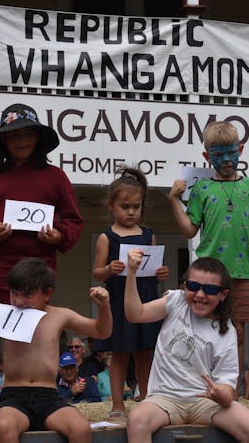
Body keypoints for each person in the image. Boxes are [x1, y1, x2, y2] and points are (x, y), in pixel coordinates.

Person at [169, 120, 249, 387]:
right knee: (205, 328)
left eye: (231, 152)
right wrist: (174, 200)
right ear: (207, 157)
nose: (226, 159)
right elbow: (188, 230)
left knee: (238, 333)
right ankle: (201, 386)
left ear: (240, 150)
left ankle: (230, 389)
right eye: (218, 154)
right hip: (211, 274)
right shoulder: (201, 189)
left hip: (244, 271)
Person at [124, 249, 249, 443]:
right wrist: (131, 272)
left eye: (210, 289)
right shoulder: (176, 301)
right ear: (185, 286)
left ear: (224, 294)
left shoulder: (227, 331)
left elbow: (226, 391)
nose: (200, 295)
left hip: (205, 401)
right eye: (193, 286)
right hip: (165, 399)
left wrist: (219, 395)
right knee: (137, 420)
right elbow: (135, 314)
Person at [0, 257, 111, 443]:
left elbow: (102, 331)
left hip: (48, 396)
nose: (18, 301)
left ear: (47, 294)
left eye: (27, 294)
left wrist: (104, 307)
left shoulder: (59, 315)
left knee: (80, 428)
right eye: (14, 293)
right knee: (5, 426)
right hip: (13, 396)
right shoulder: (4, 312)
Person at [0, 104, 83, 305]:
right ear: (4, 140)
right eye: (14, 136)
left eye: (28, 134)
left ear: (37, 138)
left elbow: (74, 221)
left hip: (41, 264)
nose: (22, 141)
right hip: (2, 265)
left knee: (37, 322)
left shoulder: (56, 177)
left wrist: (59, 235)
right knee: (7, 319)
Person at [91, 166, 168, 417]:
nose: (132, 211)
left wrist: (160, 273)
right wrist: (109, 269)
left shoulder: (148, 235)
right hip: (119, 299)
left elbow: (153, 268)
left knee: (145, 351)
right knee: (120, 353)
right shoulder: (107, 237)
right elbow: (97, 272)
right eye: (125, 206)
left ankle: (146, 398)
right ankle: (117, 404)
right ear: (112, 205)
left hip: (145, 297)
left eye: (136, 206)